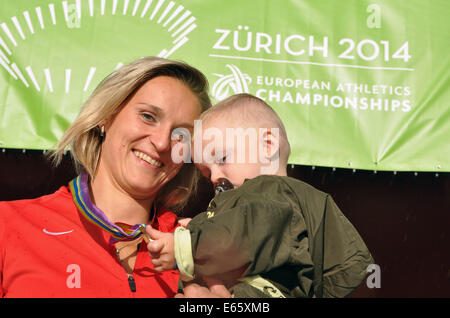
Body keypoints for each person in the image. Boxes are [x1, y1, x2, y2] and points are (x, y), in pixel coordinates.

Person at [0, 56, 211, 297]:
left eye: (181, 134)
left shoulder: (200, 249)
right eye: (148, 116)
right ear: (105, 116)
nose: (162, 142)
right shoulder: (8, 224)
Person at [145, 93, 374, 298]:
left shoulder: (270, 190)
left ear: (267, 146)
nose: (215, 176)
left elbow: (246, 229)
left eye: (222, 158)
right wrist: (202, 224)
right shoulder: (280, 202)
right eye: (206, 173)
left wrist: (186, 245)